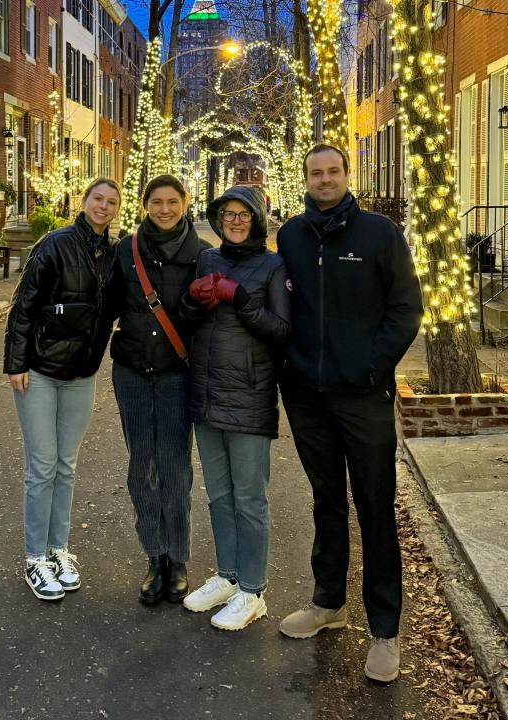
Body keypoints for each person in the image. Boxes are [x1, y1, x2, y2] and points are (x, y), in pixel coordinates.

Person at [275, 144, 422, 682]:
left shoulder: (379, 235)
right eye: (316, 173)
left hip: (362, 396)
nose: (325, 179)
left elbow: (407, 306)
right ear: (306, 179)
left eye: (333, 171)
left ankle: (384, 629)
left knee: (376, 508)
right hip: (307, 396)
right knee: (326, 500)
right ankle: (328, 603)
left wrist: (373, 367)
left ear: (346, 175)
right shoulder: (289, 236)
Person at [3, 178, 121, 602]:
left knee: (66, 465)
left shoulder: (114, 253)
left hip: (81, 374)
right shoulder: (54, 245)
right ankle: (35, 558)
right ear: (84, 201)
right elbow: (24, 305)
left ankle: (59, 550)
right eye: (97, 199)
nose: (103, 207)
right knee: (42, 466)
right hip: (38, 371)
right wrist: (14, 361)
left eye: (111, 202)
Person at [180, 186, 290, 631]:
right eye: (228, 213)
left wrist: (242, 300)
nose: (235, 220)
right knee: (219, 495)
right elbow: (188, 321)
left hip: (248, 394)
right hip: (205, 392)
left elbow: (282, 331)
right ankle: (227, 576)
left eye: (244, 214)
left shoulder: (272, 265)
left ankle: (253, 590)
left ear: (258, 219)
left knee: (248, 498)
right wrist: (193, 300)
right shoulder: (208, 260)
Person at [107, 175, 210, 605]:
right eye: (157, 202)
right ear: (145, 204)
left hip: (176, 374)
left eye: (172, 202)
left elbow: (212, 320)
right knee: (140, 466)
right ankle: (154, 554)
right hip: (132, 371)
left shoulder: (203, 255)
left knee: (174, 466)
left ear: (185, 203)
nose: (164, 209)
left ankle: (178, 556)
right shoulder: (126, 251)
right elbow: (104, 306)